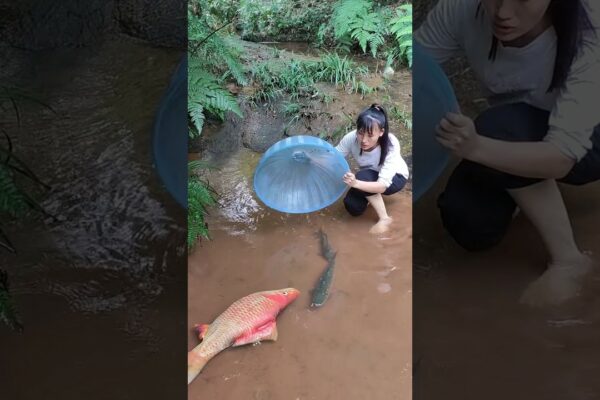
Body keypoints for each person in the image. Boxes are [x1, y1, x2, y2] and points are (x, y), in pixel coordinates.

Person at [415, 0, 599, 306]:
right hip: (514, 128)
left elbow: (562, 157)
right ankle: (523, 193)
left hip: (587, 139)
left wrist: (474, 147)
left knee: (496, 127)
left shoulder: (590, 29)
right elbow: (417, 74)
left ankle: (569, 260)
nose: (503, 13)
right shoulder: (462, 9)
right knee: (468, 223)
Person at [335, 104, 410, 234]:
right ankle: (371, 196)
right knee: (352, 207)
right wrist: (312, 158)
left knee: (362, 176)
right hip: (370, 176)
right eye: (360, 133)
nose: (364, 140)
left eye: (370, 135)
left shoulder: (391, 143)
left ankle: (385, 219)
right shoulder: (351, 138)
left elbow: (382, 186)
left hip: (396, 178)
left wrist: (356, 183)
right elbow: (333, 157)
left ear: (381, 132)